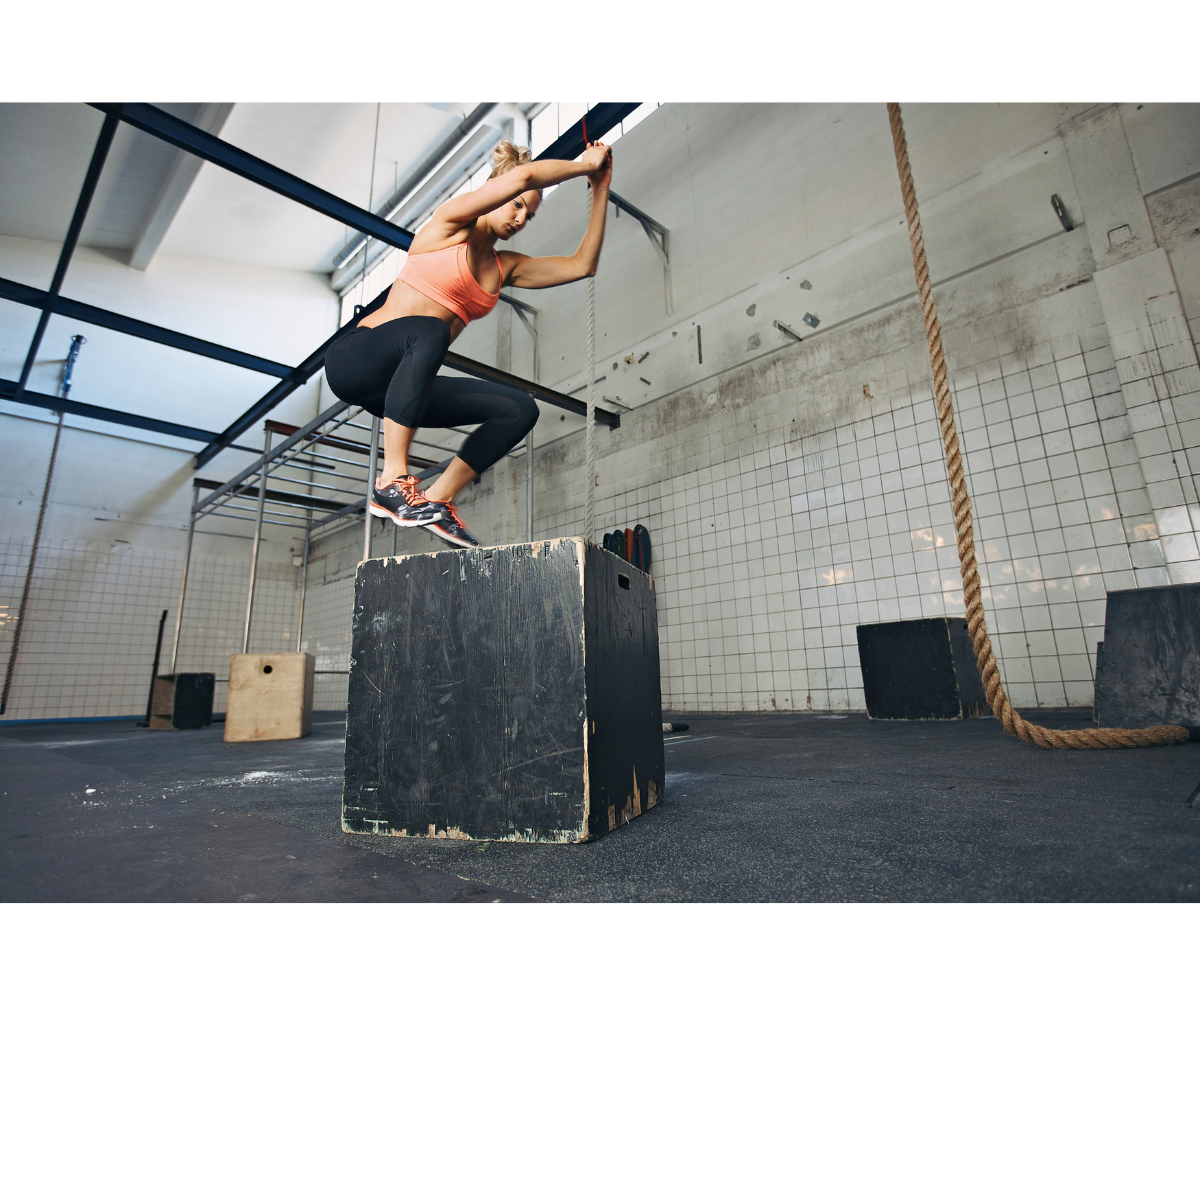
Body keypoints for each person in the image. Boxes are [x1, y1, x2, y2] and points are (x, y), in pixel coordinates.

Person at [324, 137, 614, 547]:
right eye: (516, 203)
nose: (520, 219)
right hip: (355, 359)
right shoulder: (451, 223)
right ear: (498, 190)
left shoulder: (503, 267)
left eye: (529, 216)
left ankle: (439, 498)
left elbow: (583, 264)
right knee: (430, 329)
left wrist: (600, 187)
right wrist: (585, 165)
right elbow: (527, 174)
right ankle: (391, 481)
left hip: (394, 387)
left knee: (518, 409)